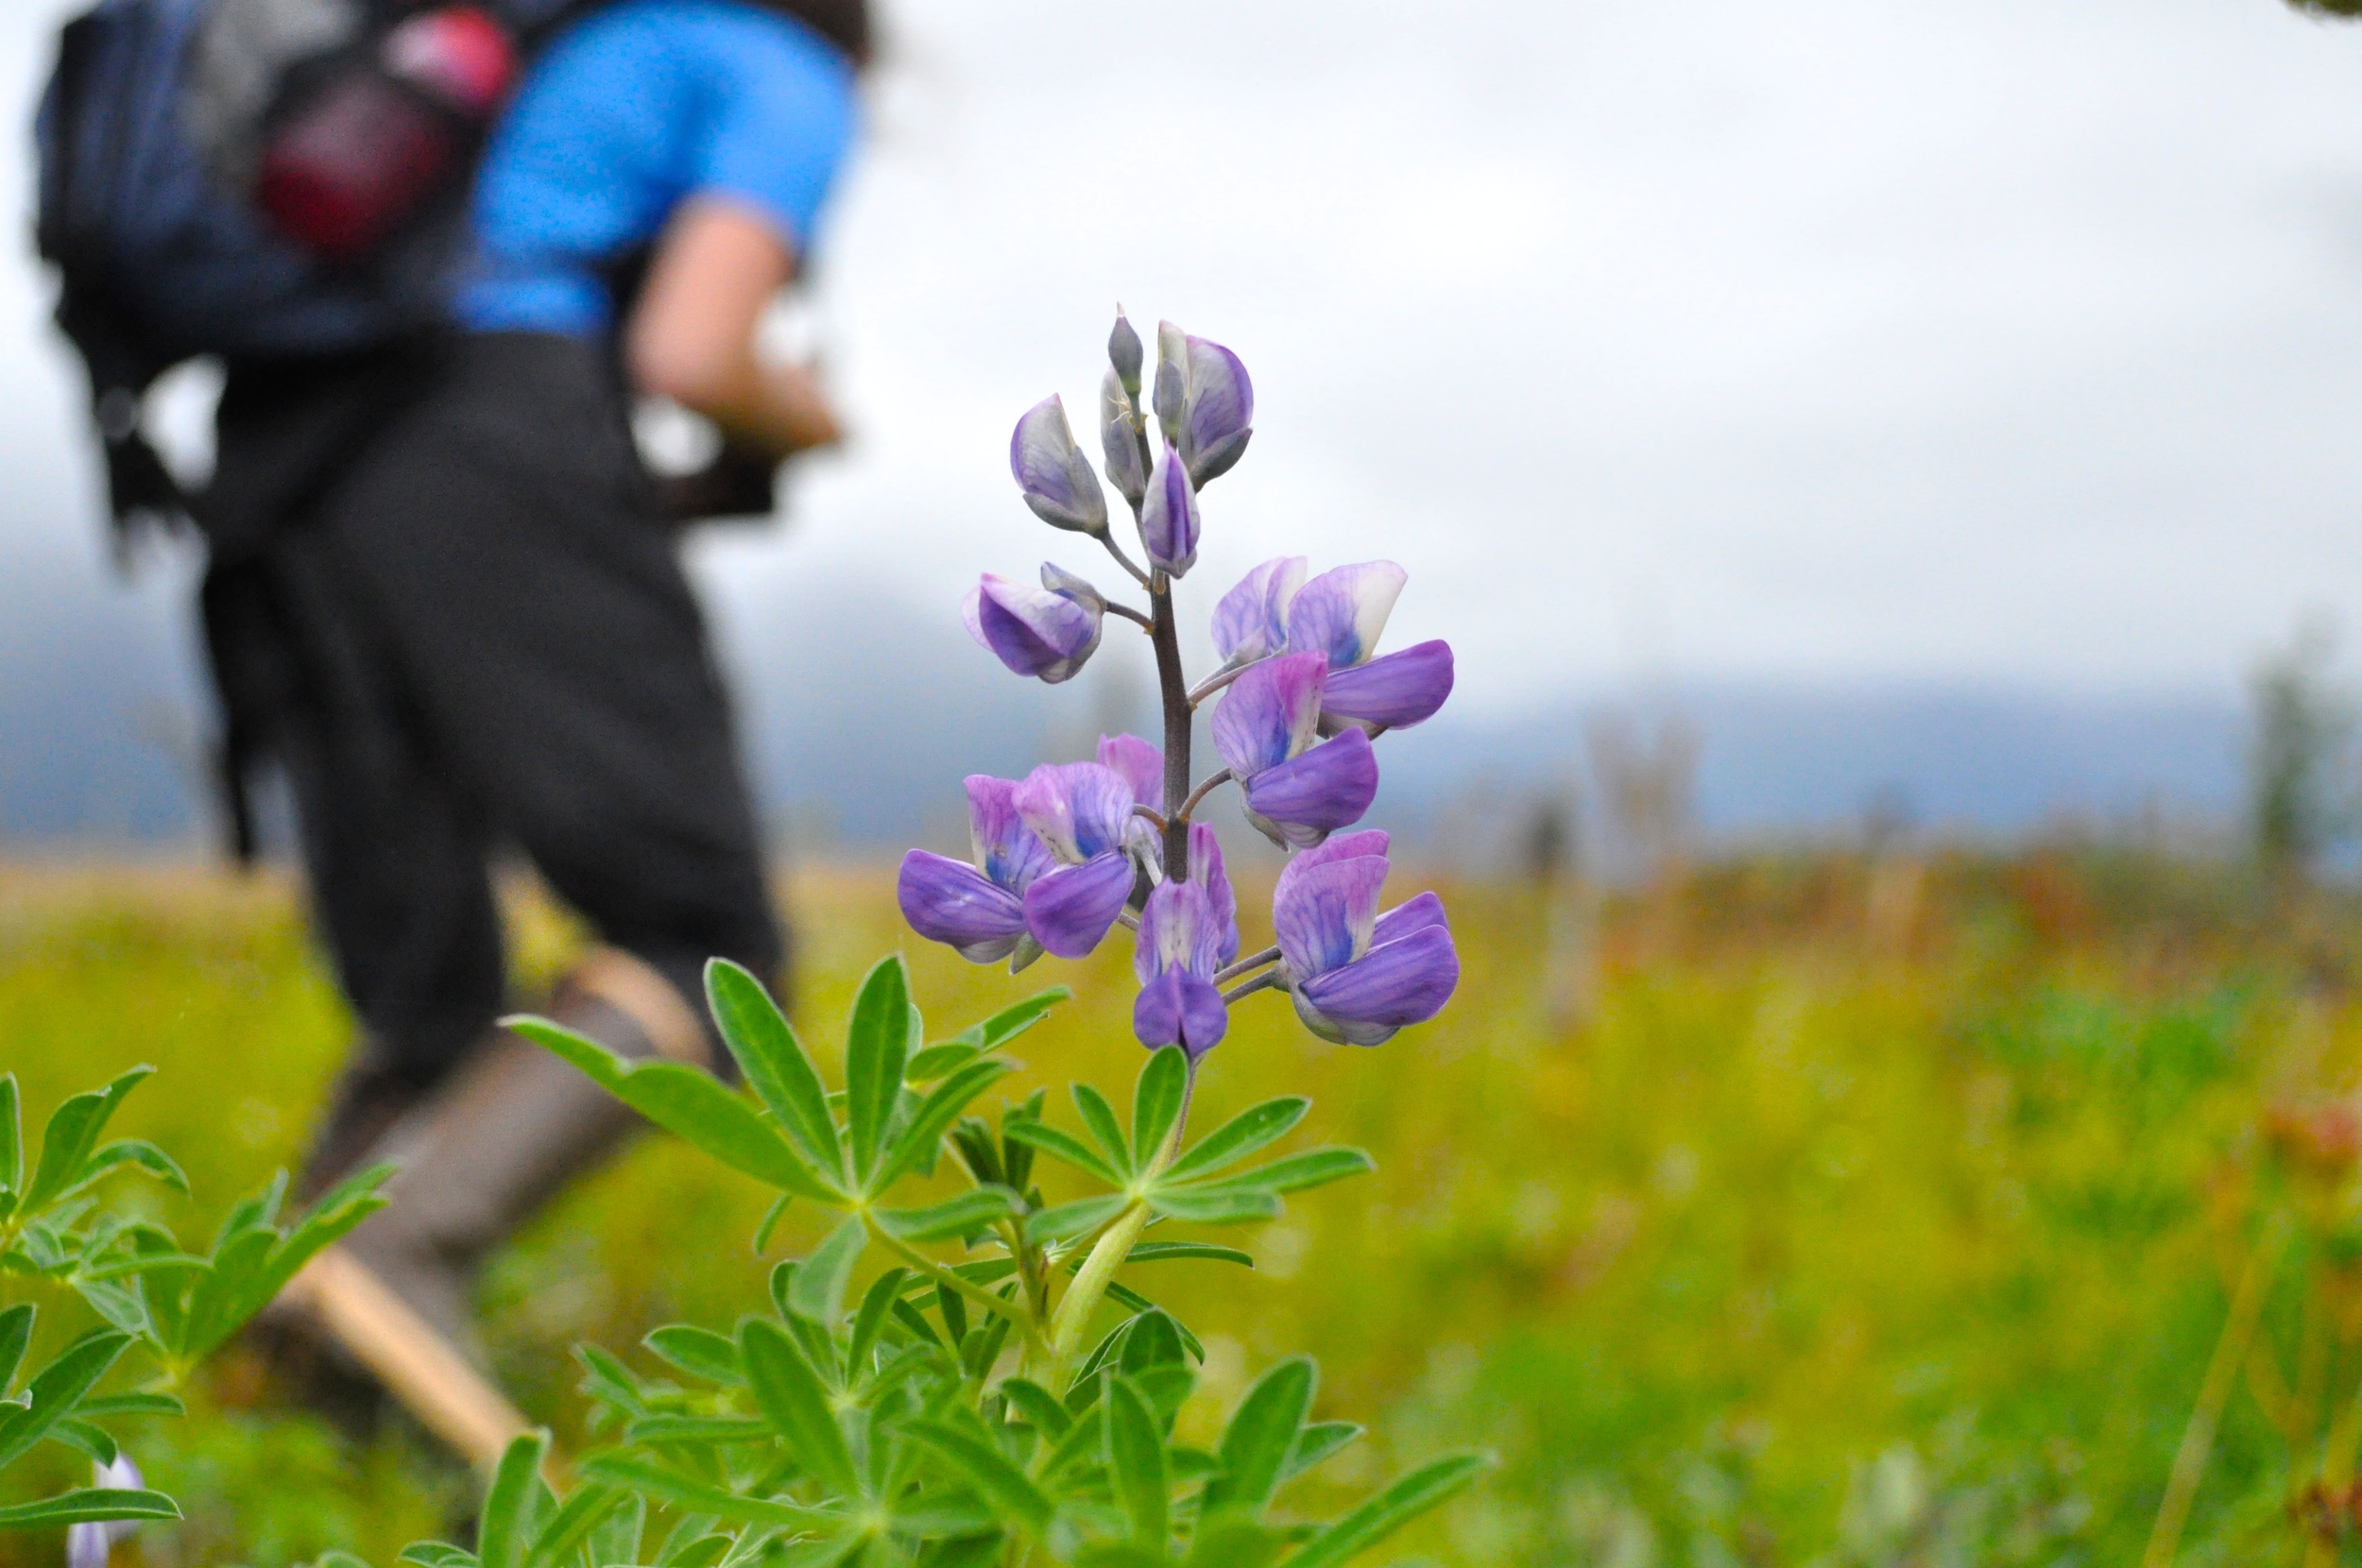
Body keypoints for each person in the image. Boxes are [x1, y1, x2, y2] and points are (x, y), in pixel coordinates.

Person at [202, 0, 867, 1394]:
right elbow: (691, 352)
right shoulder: (773, 64)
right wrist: (808, 415)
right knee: (708, 943)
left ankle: (266, 1375)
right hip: (491, 425)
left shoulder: (554, 40)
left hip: (293, 465)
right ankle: (402, 1260)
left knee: (431, 997)